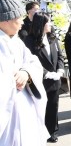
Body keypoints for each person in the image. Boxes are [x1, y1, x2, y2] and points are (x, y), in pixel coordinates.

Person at [0, 0, 49, 145]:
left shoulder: (16, 41)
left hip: (24, 104)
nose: (22, 22)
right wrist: (10, 79)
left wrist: (26, 72)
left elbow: (33, 61)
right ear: (5, 20)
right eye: (19, 18)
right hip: (7, 110)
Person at [24, 13, 64, 143]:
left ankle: (52, 131)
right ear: (41, 24)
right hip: (39, 81)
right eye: (48, 22)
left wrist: (60, 69)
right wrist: (46, 73)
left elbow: (59, 56)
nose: (50, 24)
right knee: (40, 108)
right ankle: (39, 132)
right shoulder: (29, 40)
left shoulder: (52, 37)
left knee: (53, 106)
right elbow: (29, 61)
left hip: (55, 79)